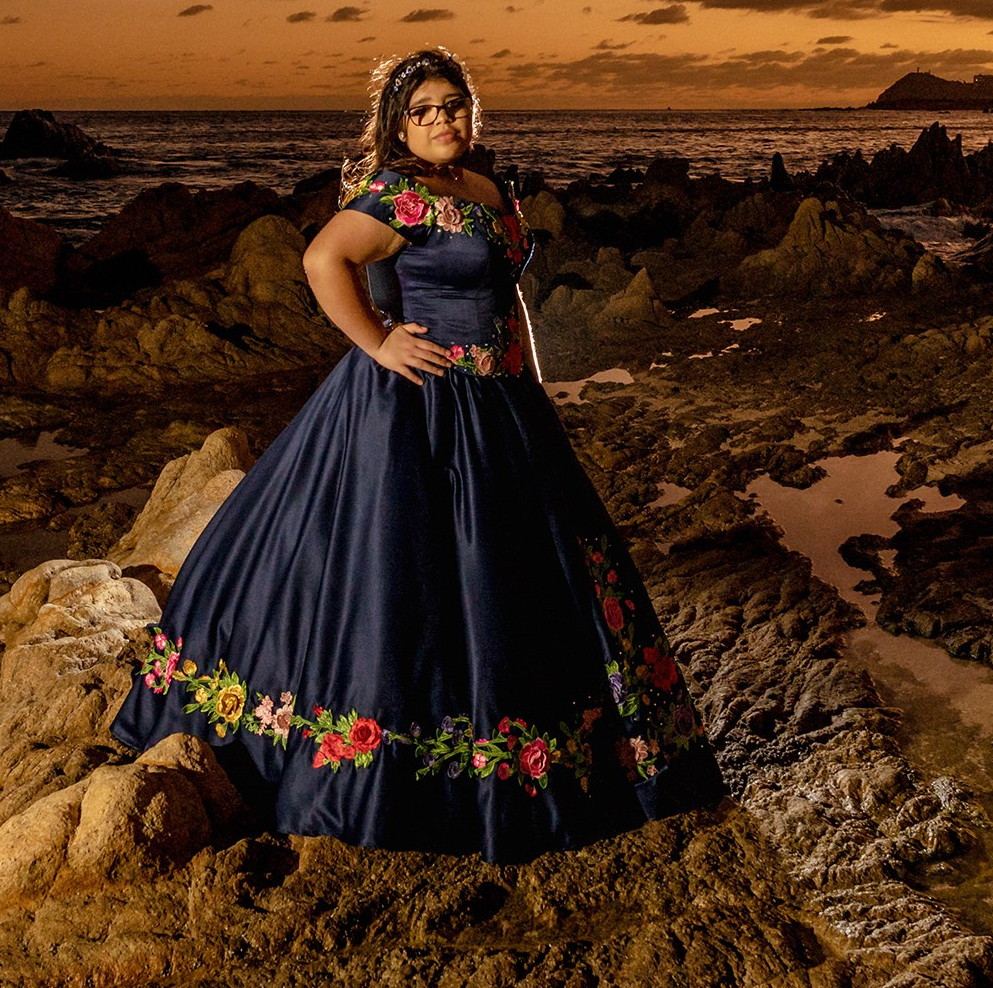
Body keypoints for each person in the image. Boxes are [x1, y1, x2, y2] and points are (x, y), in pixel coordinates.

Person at [110, 47, 724, 863]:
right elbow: (322, 259)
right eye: (424, 110)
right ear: (400, 126)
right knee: (408, 588)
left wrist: (531, 385)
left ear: (473, 110)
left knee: (524, 583)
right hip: (420, 413)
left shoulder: (488, 189)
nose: (442, 120)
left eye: (453, 104)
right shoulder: (398, 196)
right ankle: (386, 782)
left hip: (502, 410)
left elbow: (507, 294)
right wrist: (378, 343)